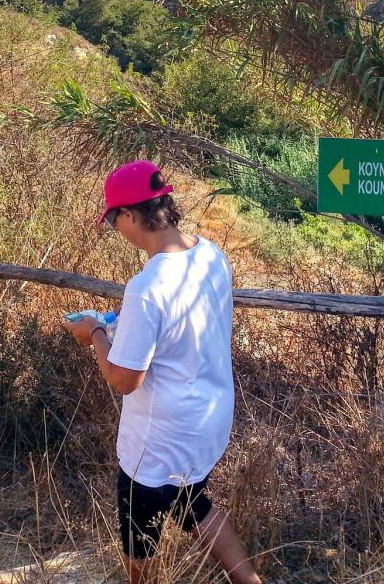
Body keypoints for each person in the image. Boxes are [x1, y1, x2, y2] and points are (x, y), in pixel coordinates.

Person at [63, 161, 260, 584]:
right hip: (209, 417)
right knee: (192, 501)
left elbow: (123, 379)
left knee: (140, 541)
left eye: (115, 220)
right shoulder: (211, 254)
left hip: (159, 435)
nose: (117, 229)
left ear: (132, 215)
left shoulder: (148, 286)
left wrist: (95, 332)